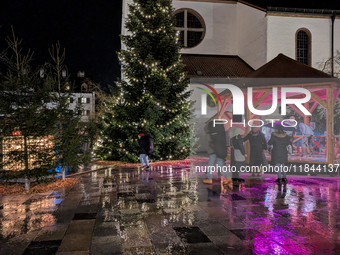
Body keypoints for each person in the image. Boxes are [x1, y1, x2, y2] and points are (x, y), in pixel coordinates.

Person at [203, 120, 232, 187]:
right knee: (221, 164)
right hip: (219, 150)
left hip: (212, 151)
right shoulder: (221, 132)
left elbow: (207, 143)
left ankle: (209, 178)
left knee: (210, 165)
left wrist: (208, 150)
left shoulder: (209, 133)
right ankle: (228, 177)